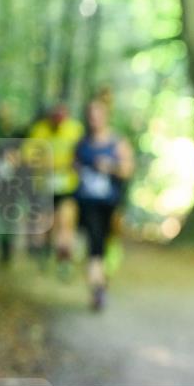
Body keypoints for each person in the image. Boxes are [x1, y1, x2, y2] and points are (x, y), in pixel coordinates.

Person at [73, 98, 134, 311]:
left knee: (108, 247)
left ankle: (101, 281)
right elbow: (74, 169)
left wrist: (111, 167)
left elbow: (127, 170)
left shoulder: (117, 143)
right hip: (88, 203)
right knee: (94, 245)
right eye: (91, 115)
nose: (95, 119)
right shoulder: (82, 145)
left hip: (111, 204)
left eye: (98, 114)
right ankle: (97, 288)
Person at [23, 102, 85, 277]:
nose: (58, 119)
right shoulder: (40, 130)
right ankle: (44, 250)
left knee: (65, 222)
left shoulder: (75, 129)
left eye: (62, 115)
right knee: (46, 224)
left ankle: (64, 260)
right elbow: (27, 156)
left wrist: (74, 164)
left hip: (67, 186)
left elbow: (83, 153)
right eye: (55, 115)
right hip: (43, 186)